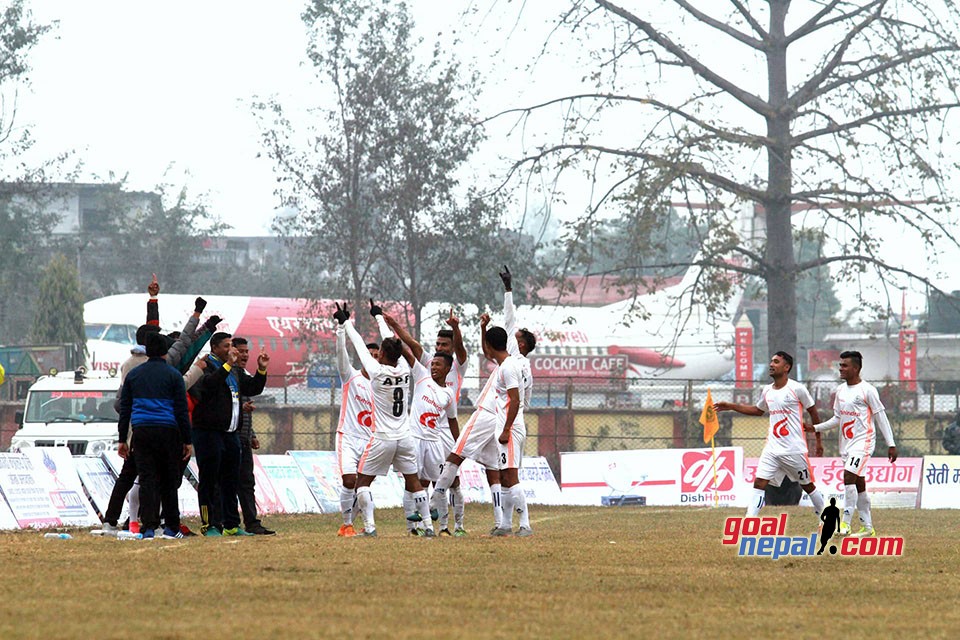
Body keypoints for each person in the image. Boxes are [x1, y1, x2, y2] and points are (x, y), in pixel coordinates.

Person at [337, 300, 435, 537]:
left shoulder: (377, 371)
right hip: (405, 437)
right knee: (413, 482)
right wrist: (379, 317)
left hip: (382, 438)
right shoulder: (403, 368)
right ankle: (429, 527)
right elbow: (395, 345)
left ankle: (370, 528)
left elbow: (360, 345)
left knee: (362, 483)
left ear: (381, 354)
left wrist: (346, 322)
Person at [430, 315, 525, 536]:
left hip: (486, 413)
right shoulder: (513, 362)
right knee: (494, 471)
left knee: (456, 455)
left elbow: (516, 397)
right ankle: (502, 522)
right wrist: (483, 328)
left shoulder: (510, 364)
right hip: (498, 417)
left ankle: (435, 500)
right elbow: (489, 351)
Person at [715, 351, 827, 521]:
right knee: (759, 483)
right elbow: (758, 410)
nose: (771, 364)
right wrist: (731, 406)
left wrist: (818, 440)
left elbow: (813, 412)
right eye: (771, 361)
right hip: (772, 449)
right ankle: (749, 521)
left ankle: (826, 519)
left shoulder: (797, 389)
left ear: (786, 367)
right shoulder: (767, 390)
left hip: (794, 449)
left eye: (776, 362)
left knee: (809, 486)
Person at [382, 312, 460, 536]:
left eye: (437, 364)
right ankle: (412, 528)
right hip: (414, 439)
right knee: (412, 482)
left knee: (437, 485)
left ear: (447, 368)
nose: (433, 367)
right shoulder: (422, 376)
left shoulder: (447, 395)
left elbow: (453, 421)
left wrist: (457, 446)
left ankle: (442, 526)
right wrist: (395, 335)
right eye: (432, 364)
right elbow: (409, 352)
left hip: (435, 442)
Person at [804, 351, 897, 538]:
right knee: (859, 483)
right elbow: (837, 418)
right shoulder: (840, 391)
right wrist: (814, 428)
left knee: (848, 477)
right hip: (846, 444)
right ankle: (867, 527)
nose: (841, 368)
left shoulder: (868, 390)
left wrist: (891, 444)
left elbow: (880, 416)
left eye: (845, 365)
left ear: (856, 368)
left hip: (864, 442)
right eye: (840, 365)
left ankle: (845, 524)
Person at [190, 332, 269, 536]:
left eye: (231, 346)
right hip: (209, 433)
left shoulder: (234, 370)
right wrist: (226, 366)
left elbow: (253, 387)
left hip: (231, 434)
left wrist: (261, 369)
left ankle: (231, 525)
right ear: (215, 347)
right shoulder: (206, 365)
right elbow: (208, 386)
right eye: (227, 346)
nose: (231, 350)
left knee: (230, 481)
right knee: (210, 481)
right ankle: (210, 525)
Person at [116, 332, 193, 540]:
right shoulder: (173, 375)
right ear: (165, 351)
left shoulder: (134, 375)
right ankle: (171, 527)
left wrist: (123, 439)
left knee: (146, 479)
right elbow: (180, 410)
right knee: (169, 479)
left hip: (141, 432)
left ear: (147, 351)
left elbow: (125, 410)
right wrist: (187, 440)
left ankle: (149, 527)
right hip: (168, 431)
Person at [332, 305, 380, 537]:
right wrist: (341, 328)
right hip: (348, 437)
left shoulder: (383, 384)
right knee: (349, 480)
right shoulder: (351, 376)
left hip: (372, 441)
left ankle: (362, 524)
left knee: (364, 485)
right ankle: (346, 524)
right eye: (369, 355)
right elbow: (341, 356)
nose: (373, 358)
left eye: (377, 356)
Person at [497, 265, 536, 537]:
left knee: (510, 476)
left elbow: (508, 320)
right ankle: (505, 525)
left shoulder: (514, 360)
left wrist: (508, 290)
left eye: (517, 336)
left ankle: (525, 525)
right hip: (517, 420)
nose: (513, 335)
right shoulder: (527, 368)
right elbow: (528, 399)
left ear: (519, 344)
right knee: (504, 474)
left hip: (511, 423)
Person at [233, 337, 275, 536]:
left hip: (243, 437)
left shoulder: (242, 375)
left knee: (247, 481)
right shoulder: (225, 375)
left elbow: (250, 396)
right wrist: (242, 409)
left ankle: (252, 522)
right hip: (229, 437)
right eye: (240, 351)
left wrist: (252, 434)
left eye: (246, 351)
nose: (245, 355)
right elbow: (226, 407)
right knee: (228, 482)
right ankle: (227, 523)